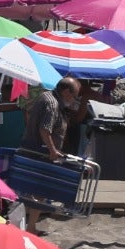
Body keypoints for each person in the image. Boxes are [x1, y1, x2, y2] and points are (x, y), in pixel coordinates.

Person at [19, 79, 79, 232]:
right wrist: (52, 150)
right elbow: (45, 129)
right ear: (66, 92)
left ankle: (31, 226)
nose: (74, 100)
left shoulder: (47, 96)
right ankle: (30, 227)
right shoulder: (52, 103)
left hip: (36, 150)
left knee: (37, 192)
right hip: (40, 153)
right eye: (74, 96)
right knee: (38, 191)